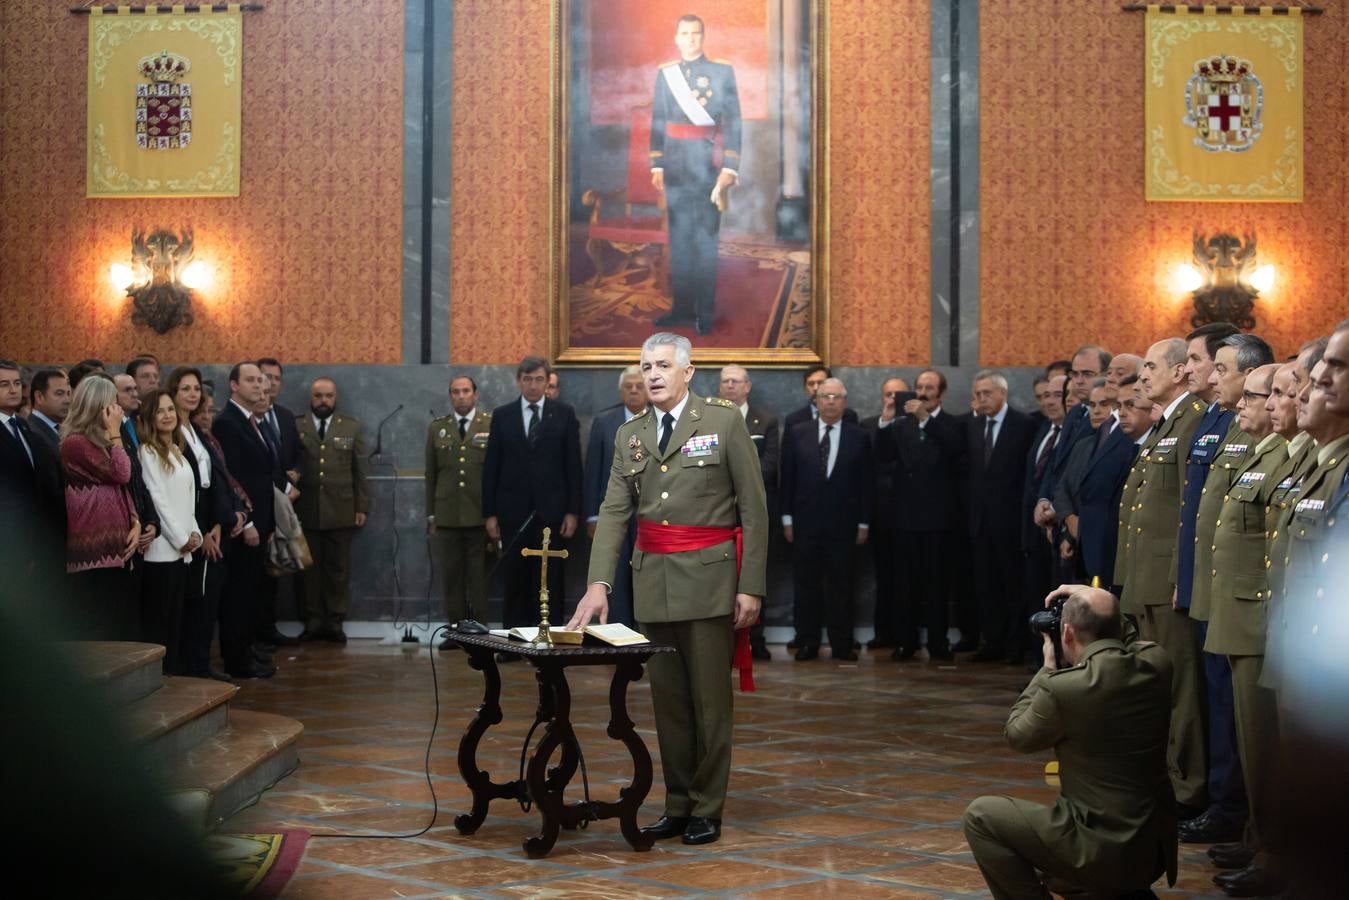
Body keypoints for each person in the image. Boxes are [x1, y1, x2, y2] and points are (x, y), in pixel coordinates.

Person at [569, 332, 767, 847]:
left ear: (687, 372)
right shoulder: (629, 433)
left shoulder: (722, 421)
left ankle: (707, 807)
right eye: (644, 365)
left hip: (710, 581)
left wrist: (751, 587)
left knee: (709, 701)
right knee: (670, 703)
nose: (651, 374)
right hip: (652, 582)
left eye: (661, 365)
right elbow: (615, 512)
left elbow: (754, 509)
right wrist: (598, 583)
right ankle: (678, 803)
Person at [963, 586, 1176, 900]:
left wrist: (1047, 669)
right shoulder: (1156, 662)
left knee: (981, 816)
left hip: (1099, 851)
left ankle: (1099, 883)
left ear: (1066, 634)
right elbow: (1122, 635)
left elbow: (1017, 734)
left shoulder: (1065, 690)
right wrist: (1094, 596)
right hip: (1151, 851)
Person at [1124, 337, 1207, 813]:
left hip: (1166, 579)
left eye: (1152, 367)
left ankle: (1188, 788)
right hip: (1146, 578)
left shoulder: (1192, 418)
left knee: (1180, 689)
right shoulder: (1166, 425)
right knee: (1156, 687)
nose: (1143, 376)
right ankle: (1164, 780)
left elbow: (1186, 509)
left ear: (1178, 372)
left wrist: (1181, 577)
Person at [650, 13, 741, 335]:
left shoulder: (722, 71)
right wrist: (657, 164)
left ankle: (704, 312)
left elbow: (734, 121)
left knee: (704, 243)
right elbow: (658, 120)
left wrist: (730, 167)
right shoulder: (666, 74)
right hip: (675, 169)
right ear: (676, 38)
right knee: (680, 242)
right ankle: (681, 309)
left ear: (703, 38)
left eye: (695, 33)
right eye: (684, 33)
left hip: (707, 167)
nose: (690, 39)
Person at [482, 356, 582, 632]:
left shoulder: (564, 413)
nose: (533, 385)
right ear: (518, 381)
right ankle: (515, 635)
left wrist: (573, 510)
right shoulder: (503, 415)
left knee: (551, 575)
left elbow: (573, 466)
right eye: (527, 379)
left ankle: (551, 634)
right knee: (515, 574)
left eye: (539, 379)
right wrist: (490, 514)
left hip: (553, 511)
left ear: (547, 381)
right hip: (512, 511)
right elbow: (492, 466)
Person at [780, 378, 873, 661]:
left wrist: (864, 523)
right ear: (816, 401)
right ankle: (808, 642)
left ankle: (842, 643)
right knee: (805, 586)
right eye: (825, 396)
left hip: (844, 526)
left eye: (836, 397)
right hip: (804, 525)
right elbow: (788, 479)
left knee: (842, 586)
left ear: (844, 402)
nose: (830, 401)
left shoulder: (859, 436)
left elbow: (865, 485)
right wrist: (786, 519)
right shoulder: (798, 433)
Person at [874, 368, 962, 661]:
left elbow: (956, 450)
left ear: (941, 393)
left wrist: (926, 420)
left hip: (939, 520)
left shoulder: (952, 424)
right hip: (905, 519)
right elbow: (883, 456)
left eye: (930, 387)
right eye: (920, 387)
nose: (923, 392)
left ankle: (938, 642)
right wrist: (886, 420)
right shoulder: (901, 425)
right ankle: (906, 642)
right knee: (905, 585)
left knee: (937, 585)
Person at [167, 367, 241, 682]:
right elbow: (183, 489)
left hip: (212, 523)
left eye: (196, 389)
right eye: (185, 389)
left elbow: (216, 481)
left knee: (210, 599)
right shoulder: (171, 433)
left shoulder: (196, 430)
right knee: (196, 600)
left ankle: (201, 662)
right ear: (173, 393)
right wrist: (201, 530)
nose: (193, 394)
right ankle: (191, 665)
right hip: (190, 529)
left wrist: (219, 524)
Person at [58, 376, 140, 640]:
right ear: (97, 406)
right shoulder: (76, 443)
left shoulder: (103, 442)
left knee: (117, 625)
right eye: (113, 403)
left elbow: (122, 489)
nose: (118, 410)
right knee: (98, 631)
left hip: (117, 547)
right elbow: (122, 473)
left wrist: (136, 522)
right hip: (94, 551)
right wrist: (116, 433)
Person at [211, 362, 279, 679]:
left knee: (251, 592)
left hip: (261, 521)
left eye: (260, 381)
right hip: (242, 524)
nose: (258, 386)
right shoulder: (227, 422)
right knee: (237, 594)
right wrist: (249, 521)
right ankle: (237, 660)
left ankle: (248, 651)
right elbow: (232, 477)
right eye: (250, 380)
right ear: (234, 385)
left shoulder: (253, 421)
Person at [966, 370, 1037, 663]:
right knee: (985, 587)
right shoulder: (973, 425)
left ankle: (1014, 646)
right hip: (980, 522)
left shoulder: (1024, 425)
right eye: (978, 394)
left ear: (1002, 394)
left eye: (987, 393)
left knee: (1013, 587)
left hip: (1010, 521)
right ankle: (991, 643)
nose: (981, 399)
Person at [294, 377, 368, 643]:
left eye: (328, 396)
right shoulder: (297, 425)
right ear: (311, 398)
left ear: (335, 398)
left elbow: (360, 470)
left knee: (338, 570)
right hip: (307, 509)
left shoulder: (351, 426)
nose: (323, 401)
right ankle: (313, 622)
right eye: (318, 396)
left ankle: (335, 622)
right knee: (309, 572)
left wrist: (361, 506)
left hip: (341, 509)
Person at [135, 389, 201, 675]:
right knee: (160, 626)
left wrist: (195, 533)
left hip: (182, 551)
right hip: (162, 551)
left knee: (177, 623)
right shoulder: (147, 451)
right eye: (160, 410)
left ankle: (173, 680)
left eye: (170, 410)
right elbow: (158, 499)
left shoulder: (177, 451)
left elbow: (188, 499)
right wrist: (181, 538)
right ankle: (158, 683)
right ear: (150, 417)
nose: (167, 415)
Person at [718, 364, 779, 659]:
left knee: (754, 575)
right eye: (725, 381)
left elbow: (769, 465)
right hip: (719, 516)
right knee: (723, 578)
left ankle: (756, 637)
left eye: (735, 381)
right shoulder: (709, 421)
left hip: (752, 513)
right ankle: (724, 638)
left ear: (747, 386)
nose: (729, 386)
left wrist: (737, 476)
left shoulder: (765, 421)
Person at [426, 375, 492, 644]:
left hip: (479, 514)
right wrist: (432, 515)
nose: (461, 396)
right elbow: (431, 474)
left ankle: (481, 633)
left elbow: (495, 471)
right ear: (450, 396)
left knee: (478, 578)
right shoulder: (437, 428)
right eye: (456, 392)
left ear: (475, 395)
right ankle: (454, 631)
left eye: (466, 391)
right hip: (448, 515)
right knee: (452, 578)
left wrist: (493, 514)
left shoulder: (489, 424)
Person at [582, 366, 648, 629]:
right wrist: (592, 515)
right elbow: (593, 470)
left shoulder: (659, 419)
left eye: (638, 385)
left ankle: (644, 631)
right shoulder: (605, 421)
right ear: (621, 390)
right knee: (616, 575)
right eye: (628, 386)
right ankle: (618, 631)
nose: (633, 390)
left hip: (648, 515)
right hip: (613, 514)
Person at [861, 376, 909, 651]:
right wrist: (887, 421)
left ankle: (905, 634)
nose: (892, 399)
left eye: (898, 394)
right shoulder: (870, 424)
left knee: (907, 578)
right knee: (884, 576)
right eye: (888, 393)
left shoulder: (918, 423)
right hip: (881, 513)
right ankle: (883, 632)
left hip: (912, 514)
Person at [784, 365, 859, 430]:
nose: (815, 388)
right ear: (805, 389)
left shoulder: (849, 416)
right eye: (811, 384)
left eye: (820, 383)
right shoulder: (793, 420)